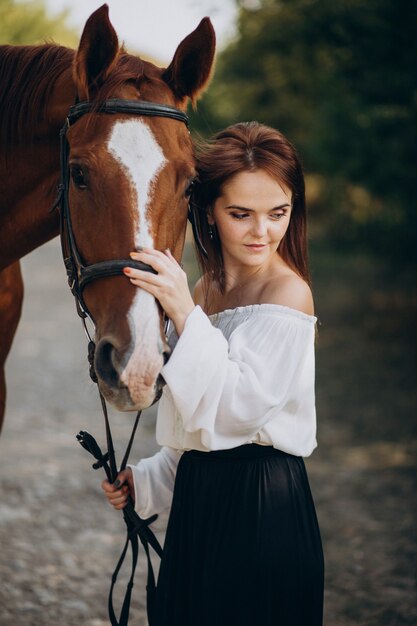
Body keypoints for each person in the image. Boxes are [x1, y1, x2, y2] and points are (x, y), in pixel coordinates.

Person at [102, 121, 324, 626]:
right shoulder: (204, 292)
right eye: (240, 214)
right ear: (208, 211)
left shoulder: (288, 294)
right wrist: (146, 479)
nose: (261, 231)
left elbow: (238, 412)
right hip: (199, 504)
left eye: (278, 213)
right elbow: (197, 427)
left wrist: (183, 313)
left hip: (262, 506)